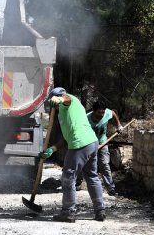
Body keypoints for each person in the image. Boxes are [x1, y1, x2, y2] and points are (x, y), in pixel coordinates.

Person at [39, 87, 106, 222]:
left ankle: (68, 212)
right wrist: (53, 149)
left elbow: (67, 98)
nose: (53, 107)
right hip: (90, 143)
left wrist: (59, 98)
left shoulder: (70, 100)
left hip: (80, 144)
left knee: (68, 176)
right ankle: (100, 211)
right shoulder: (64, 113)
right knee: (92, 176)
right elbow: (66, 138)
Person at [75, 100, 123, 196]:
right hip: (88, 143)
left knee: (104, 164)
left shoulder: (106, 113)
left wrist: (118, 125)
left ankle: (111, 188)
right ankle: (78, 183)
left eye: (103, 112)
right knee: (82, 163)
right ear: (93, 110)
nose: (101, 114)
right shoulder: (85, 119)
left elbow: (113, 113)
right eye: (99, 112)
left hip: (102, 142)